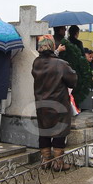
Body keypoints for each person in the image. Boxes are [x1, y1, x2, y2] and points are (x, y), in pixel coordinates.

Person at [32, 35, 78, 171]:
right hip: (58, 103)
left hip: (41, 104)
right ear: (52, 46)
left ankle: (46, 161)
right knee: (59, 131)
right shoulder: (60, 64)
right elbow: (72, 80)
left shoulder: (36, 63)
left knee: (44, 130)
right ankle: (58, 163)